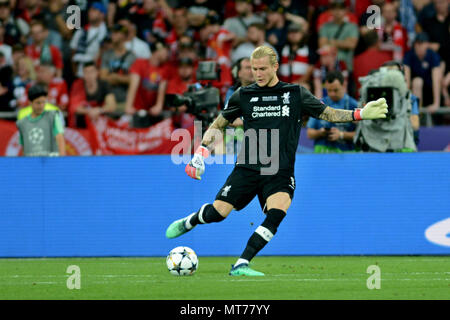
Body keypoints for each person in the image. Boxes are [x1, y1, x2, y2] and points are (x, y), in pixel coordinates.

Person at [165, 45, 388, 276]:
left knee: (277, 212)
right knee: (218, 214)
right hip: (248, 167)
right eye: (254, 69)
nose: (258, 73)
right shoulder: (243, 95)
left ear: (275, 67)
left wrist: (359, 113)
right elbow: (219, 124)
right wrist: (201, 152)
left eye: (262, 68)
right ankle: (190, 221)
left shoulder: (295, 94)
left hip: (280, 170)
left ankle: (242, 263)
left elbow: (327, 113)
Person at [307, 71, 358, 152]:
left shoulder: (354, 105)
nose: (332, 94)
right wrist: (321, 132)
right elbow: (310, 133)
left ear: (343, 85)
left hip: (346, 153)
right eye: (329, 90)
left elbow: (361, 134)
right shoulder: (318, 105)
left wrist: (341, 135)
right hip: (322, 153)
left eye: (335, 90)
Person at [16, 84, 65, 156]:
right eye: (38, 103)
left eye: (44, 102)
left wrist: (62, 160)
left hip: (50, 163)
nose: (41, 106)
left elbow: (60, 139)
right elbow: (23, 146)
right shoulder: (22, 123)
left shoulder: (53, 116)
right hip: (32, 163)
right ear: (30, 102)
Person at [100, 24, 136, 112]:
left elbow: (134, 80)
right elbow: (102, 77)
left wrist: (116, 78)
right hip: (109, 99)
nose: (113, 35)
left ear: (123, 35)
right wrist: (123, 79)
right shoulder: (107, 55)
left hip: (126, 99)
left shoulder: (131, 56)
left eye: (116, 33)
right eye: (112, 33)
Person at [69, 61, 117, 128]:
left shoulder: (104, 85)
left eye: (91, 72)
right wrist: (89, 111)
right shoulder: (78, 85)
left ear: (97, 72)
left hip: (101, 120)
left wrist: (99, 110)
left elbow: (112, 105)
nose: (89, 75)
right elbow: (74, 107)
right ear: (83, 74)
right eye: (86, 72)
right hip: (84, 121)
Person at [403, 32, 441, 113]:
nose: (419, 46)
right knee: (417, 81)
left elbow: (436, 81)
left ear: (427, 44)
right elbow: (406, 81)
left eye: (421, 43)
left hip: (430, 91)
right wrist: (405, 103)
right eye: (417, 43)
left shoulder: (433, 55)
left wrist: (436, 103)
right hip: (414, 92)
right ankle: (416, 114)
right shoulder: (409, 55)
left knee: (421, 81)